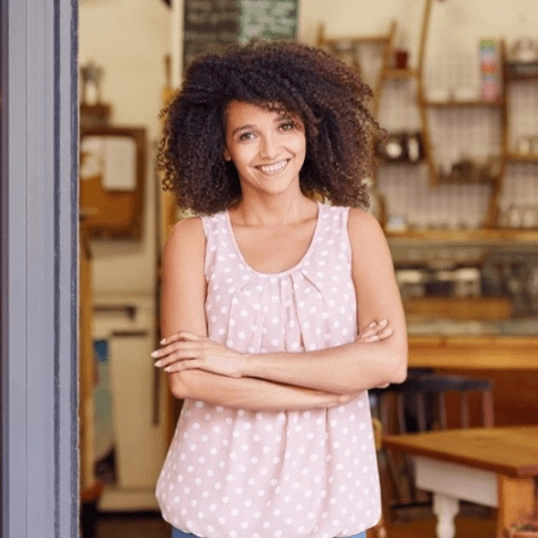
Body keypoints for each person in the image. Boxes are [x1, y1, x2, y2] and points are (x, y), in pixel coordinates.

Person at [152, 40, 408, 538]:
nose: (271, 151)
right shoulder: (193, 240)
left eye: (285, 126)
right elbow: (190, 381)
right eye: (248, 135)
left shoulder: (355, 231)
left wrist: (239, 362)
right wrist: (327, 387)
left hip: (329, 503)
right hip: (215, 502)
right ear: (223, 147)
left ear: (311, 129)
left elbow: (388, 362)